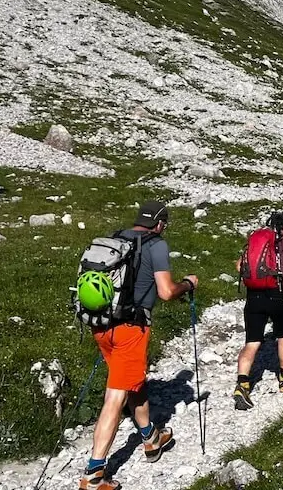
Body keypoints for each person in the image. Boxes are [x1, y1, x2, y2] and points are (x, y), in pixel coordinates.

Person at [80, 201, 198, 490]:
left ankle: (150, 437)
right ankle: (94, 474)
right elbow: (166, 292)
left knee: (133, 380)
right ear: (159, 224)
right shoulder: (157, 245)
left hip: (101, 324)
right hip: (131, 328)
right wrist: (189, 284)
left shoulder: (117, 238)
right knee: (116, 396)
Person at [233, 212, 283, 411]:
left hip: (254, 297)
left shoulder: (256, 241)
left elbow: (240, 266)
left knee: (252, 341)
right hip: (279, 295)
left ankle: (243, 383)